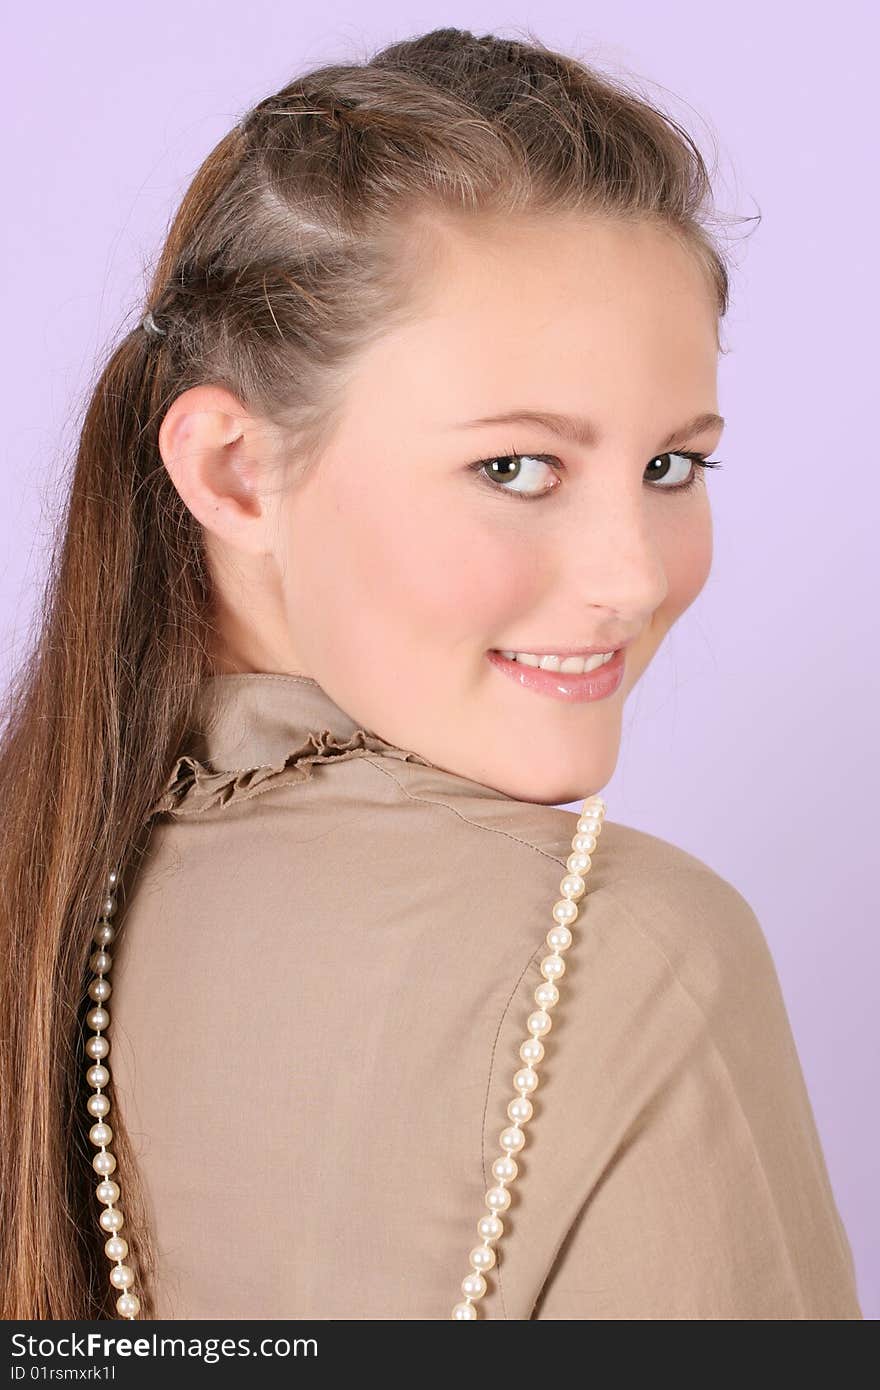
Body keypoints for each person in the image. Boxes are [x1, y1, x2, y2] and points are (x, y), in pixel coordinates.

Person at [0, 27, 862, 1321]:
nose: (632, 575)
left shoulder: (47, 879)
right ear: (236, 470)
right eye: (516, 468)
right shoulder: (624, 956)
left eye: (674, 466)